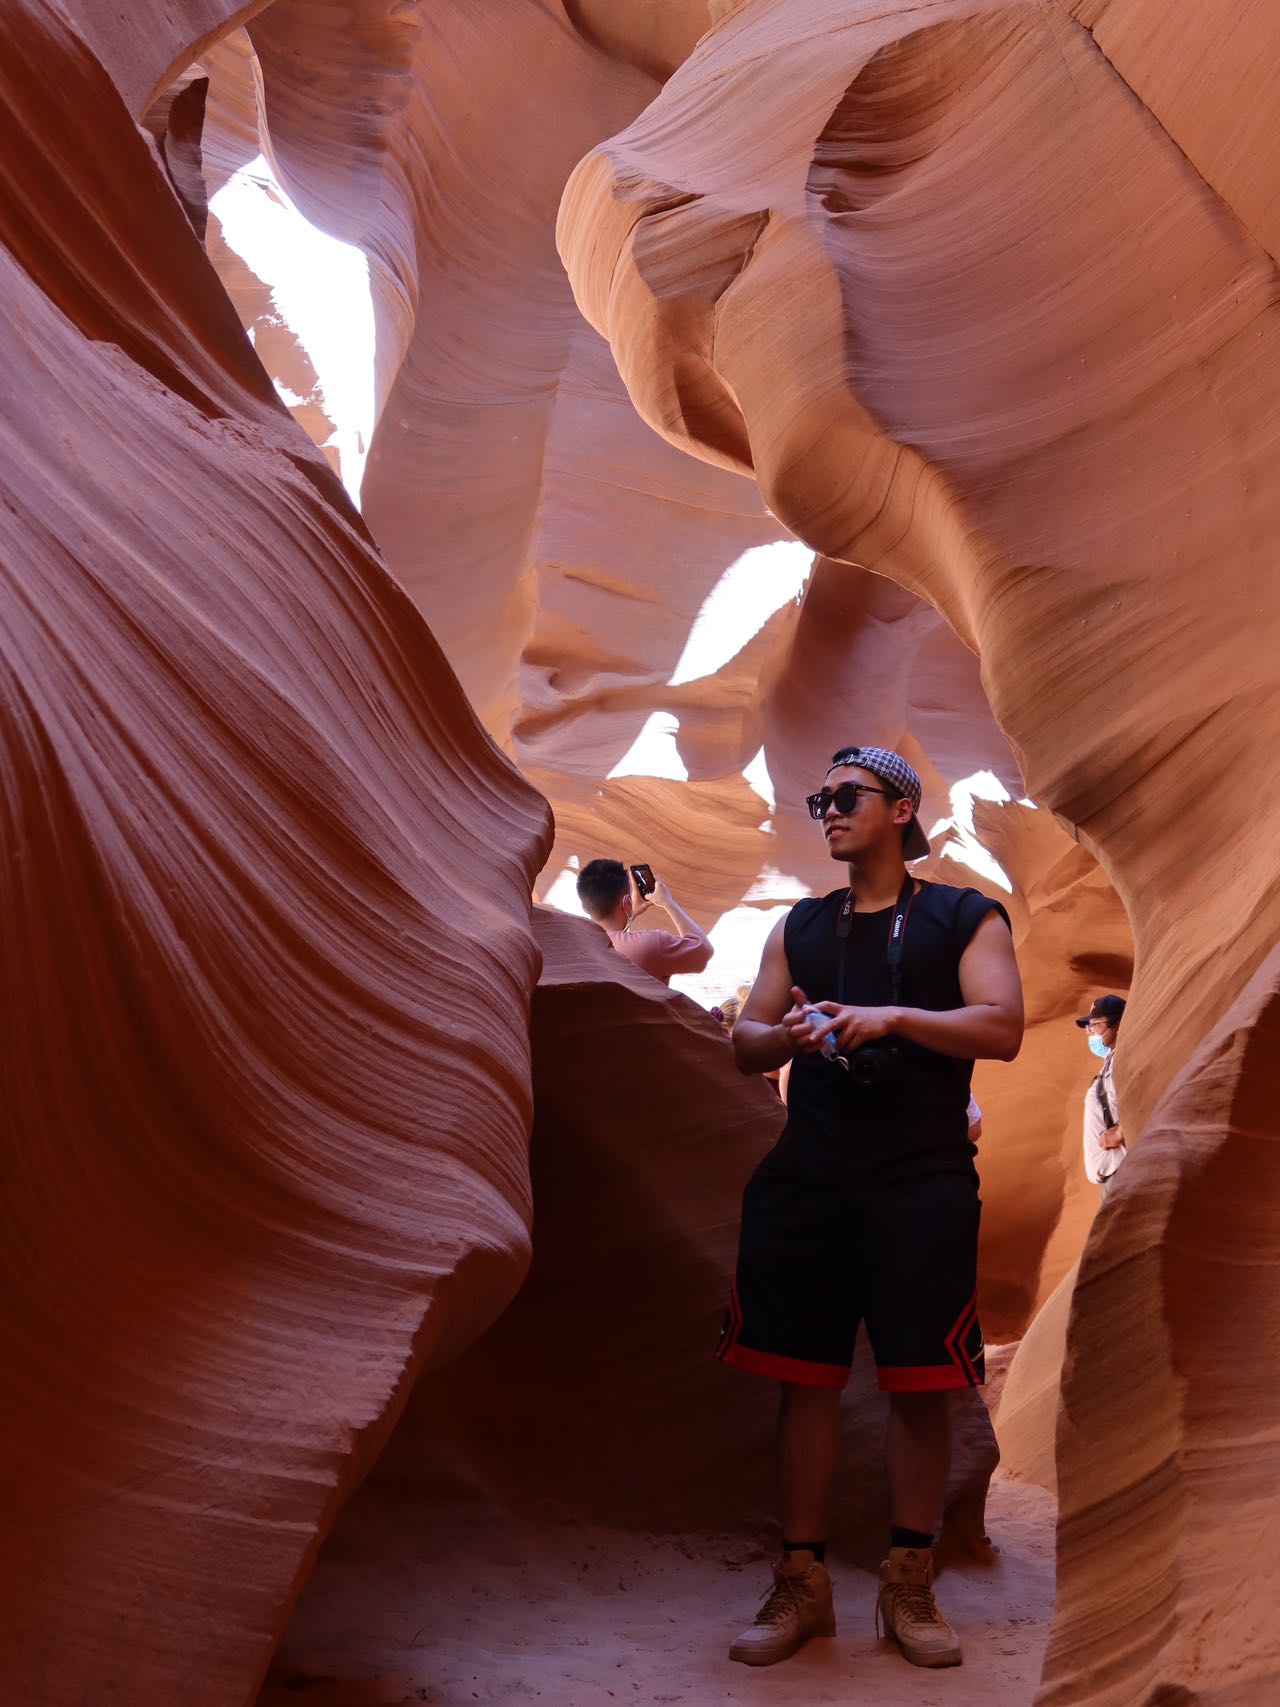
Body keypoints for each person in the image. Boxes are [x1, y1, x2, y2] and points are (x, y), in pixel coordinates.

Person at [717, 744, 1024, 1671]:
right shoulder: (798, 927)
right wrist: (795, 1033)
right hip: (809, 1179)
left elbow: (1002, 1026)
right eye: (821, 797)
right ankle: (803, 1586)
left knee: (921, 1388)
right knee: (802, 1380)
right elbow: (746, 1043)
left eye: (845, 795)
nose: (828, 810)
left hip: (920, 1180)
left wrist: (890, 1019)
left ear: (901, 809)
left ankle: (908, 1584)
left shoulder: (966, 915)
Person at [575, 858, 712, 986]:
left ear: (584, 908)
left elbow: (613, 939)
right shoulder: (651, 945)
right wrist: (667, 902)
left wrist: (630, 912)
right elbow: (703, 951)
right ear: (627, 902)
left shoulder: (576, 946)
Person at [1077, 994, 1126, 1199]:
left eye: (1095, 1025)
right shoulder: (1112, 1061)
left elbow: (1149, 1096)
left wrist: (1119, 1133)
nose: (1091, 1032)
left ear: (1117, 1024)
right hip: (1116, 1178)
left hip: (1124, 1175)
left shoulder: (1123, 1059)